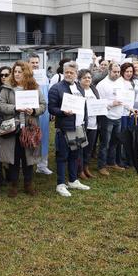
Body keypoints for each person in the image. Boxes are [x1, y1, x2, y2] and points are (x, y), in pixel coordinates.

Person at [0, 61, 46, 197]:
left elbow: (43, 105)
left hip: (30, 127)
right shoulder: (6, 88)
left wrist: (34, 111)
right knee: (14, 156)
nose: (17, 74)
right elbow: (0, 105)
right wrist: (14, 108)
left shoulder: (34, 87)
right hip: (13, 127)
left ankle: (28, 184)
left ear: (26, 73)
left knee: (28, 157)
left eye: (20, 72)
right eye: (15, 71)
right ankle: (13, 185)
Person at [48, 61, 91, 197]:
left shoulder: (79, 87)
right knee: (62, 156)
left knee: (75, 155)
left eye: (71, 72)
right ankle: (60, 184)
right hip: (65, 128)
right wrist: (63, 112)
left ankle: (73, 180)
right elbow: (51, 108)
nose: (68, 74)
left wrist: (85, 121)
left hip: (79, 126)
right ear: (63, 72)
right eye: (66, 72)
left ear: (76, 74)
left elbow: (83, 106)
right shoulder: (56, 88)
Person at [95, 62, 127, 175]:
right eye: (114, 72)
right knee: (105, 143)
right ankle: (101, 165)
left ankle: (111, 162)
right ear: (109, 71)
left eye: (118, 72)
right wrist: (111, 103)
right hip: (107, 117)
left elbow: (124, 97)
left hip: (118, 116)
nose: (117, 74)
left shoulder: (121, 82)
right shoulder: (102, 85)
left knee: (115, 142)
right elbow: (99, 102)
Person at [29, 54, 53, 175]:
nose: (35, 65)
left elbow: (47, 94)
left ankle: (42, 165)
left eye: (36, 62)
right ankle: (26, 163)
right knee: (27, 137)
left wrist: (49, 110)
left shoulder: (43, 77)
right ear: (28, 64)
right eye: (32, 62)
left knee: (43, 137)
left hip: (43, 112)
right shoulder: (24, 77)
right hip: (29, 112)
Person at [78, 69, 100, 179]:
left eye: (89, 77)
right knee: (81, 147)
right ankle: (80, 169)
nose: (87, 79)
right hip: (82, 124)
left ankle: (86, 167)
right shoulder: (78, 90)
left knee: (90, 147)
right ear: (80, 79)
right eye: (85, 77)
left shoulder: (94, 89)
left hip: (93, 123)